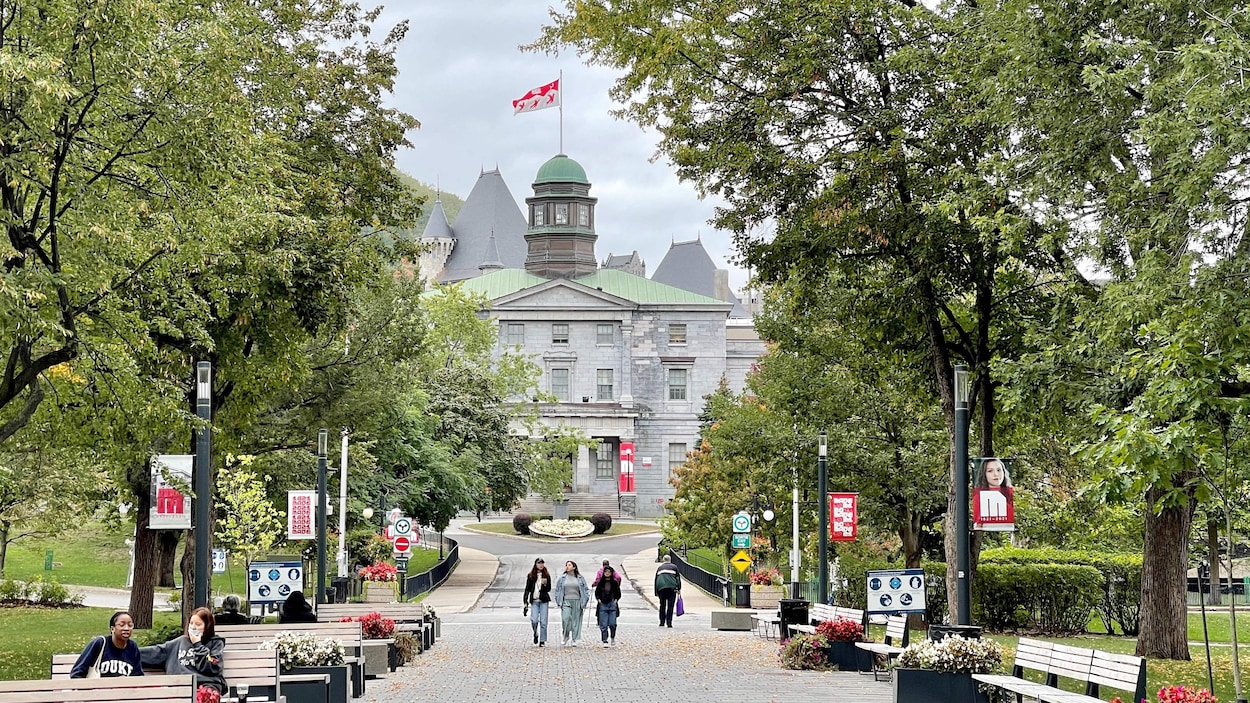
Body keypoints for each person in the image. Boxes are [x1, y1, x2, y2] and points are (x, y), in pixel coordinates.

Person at [140, 606, 227, 694]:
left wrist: (197, 644)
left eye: (198, 624)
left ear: (207, 627)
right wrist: (129, 652)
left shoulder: (215, 644)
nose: (193, 627)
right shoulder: (180, 642)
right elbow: (156, 652)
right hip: (180, 688)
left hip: (206, 687)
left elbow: (213, 667)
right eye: (191, 623)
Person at [70, 611, 143, 678]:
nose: (126, 628)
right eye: (122, 625)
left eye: (130, 625)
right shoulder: (100, 643)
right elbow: (77, 673)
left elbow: (137, 676)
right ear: (112, 629)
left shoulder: (132, 647)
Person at [553, 560, 590, 647]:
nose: (567, 566)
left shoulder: (580, 578)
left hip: (577, 601)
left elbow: (585, 590)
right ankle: (565, 636)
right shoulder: (562, 578)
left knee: (575, 621)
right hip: (566, 600)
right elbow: (558, 590)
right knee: (565, 619)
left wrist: (585, 600)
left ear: (574, 567)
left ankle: (574, 638)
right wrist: (558, 600)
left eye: (569, 565)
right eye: (566, 565)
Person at [523, 557, 553, 647]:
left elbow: (548, 588)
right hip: (534, 600)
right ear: (536, 564)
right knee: (534, 620)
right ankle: (535, 633)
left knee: (543, 621)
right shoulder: (531, 575)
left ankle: (542, 640)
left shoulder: (546, 575)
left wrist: (544, 583)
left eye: (542, 563)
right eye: (539, 563)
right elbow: (527, 589)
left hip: (543, 600)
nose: (541, 565)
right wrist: (525, 601)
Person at [595, 565, 622, 647]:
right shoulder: (601, 582)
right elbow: (597, 592)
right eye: (606, 572)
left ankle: (612, 636)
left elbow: (618, 593)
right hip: (603, 604)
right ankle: (604, 640)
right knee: (603, 624)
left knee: (612, 623)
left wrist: (616, 600)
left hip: (612, 604)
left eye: (609, 572)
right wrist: (598, 599)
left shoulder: (614, 583)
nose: (607, 573)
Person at [655, 555, 682, 627]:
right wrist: (679, 588)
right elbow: (678, 579)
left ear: (663, 560)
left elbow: (656, 580)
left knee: (662, 605)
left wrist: (656, 592)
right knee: (670, 606)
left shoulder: (660, 568)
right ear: (670, 560)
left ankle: (662, 622)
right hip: (671, 588)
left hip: (661, 588)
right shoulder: (674, 567)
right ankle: (669, 623)